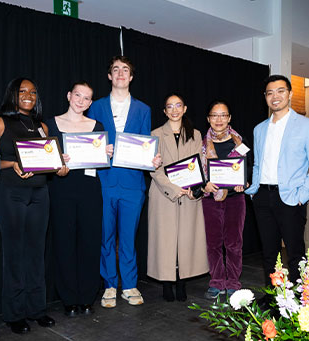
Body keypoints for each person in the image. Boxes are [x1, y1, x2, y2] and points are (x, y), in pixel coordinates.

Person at [87, 55, 161, 308]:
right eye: (115, 69)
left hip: (132, 184)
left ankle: (129, 285)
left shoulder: (144, 110)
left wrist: (152, 159)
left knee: (128, 237)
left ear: (131, 77)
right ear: (109, 76)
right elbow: (88, 145)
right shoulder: (95, 107)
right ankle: (109, 284)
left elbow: (144, 146)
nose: (120, 73)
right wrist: (99, 150)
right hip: (104, 182)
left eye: (125, 69)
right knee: (105, 237)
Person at [0, 78, 59, 334]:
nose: (28, 95)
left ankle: (36, 309)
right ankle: (14, 313)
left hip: (41, 194)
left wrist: (60, 166)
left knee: (36, 253)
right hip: (11, 195)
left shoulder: (41, 126)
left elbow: (50, 163)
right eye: (23, 91)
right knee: (14, 254)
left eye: (33, 91)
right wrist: (12, 164)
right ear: (13, 95)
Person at [245, 75, 309, 287]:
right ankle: (274, 300)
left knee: (295, 253)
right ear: (265, 97)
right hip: (262, 197)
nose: (275, 96)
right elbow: (257, 164)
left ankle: (299, 300)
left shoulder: (307, 126)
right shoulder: (259, 129)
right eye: (270, 92)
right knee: (269, 254)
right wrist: (254, 190)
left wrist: (302, 196)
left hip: (291, 198)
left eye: (280, 91)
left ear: (290, 94)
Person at [47, 81, 112, 317]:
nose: (81, 101)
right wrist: (56, 160)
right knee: (64, 243)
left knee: (89, 243)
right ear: (68, 95)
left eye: (86, 98)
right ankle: (68, 298)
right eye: (77, 95)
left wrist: (106, 154)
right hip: (61, 189)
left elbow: (102, 162)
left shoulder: (97, 126)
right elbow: (44, 161)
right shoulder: (51, 124)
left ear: (90, 102)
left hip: (89, 189)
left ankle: (86, 297)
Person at [148, 94, 209, 302]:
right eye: (169, 106)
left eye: (178, 105)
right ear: (165, 111)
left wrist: (193, 187)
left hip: (189, 194)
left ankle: (181, 281)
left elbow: (199, 165)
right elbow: (154, 170)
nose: (174, 110)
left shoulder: (196, 134)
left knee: (185, 240)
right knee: (165, 241)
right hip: (164, 194)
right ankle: (167, 283)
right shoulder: (155, 134)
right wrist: (174, 188)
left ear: (184, 109)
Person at [201, 100, 247, 299]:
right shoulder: (201, 143)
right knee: (213, 243)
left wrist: (243, 183)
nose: (218, 119)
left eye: (223, 115)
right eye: (214, 115)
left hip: (235, 199)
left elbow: (247, 170)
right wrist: (205, 184)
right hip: (211, 200)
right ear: (208, 118)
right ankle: (217, 281)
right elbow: (195, 171)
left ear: (229, 118)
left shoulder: (240, 143)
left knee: (234, 243)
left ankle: (233, 282)